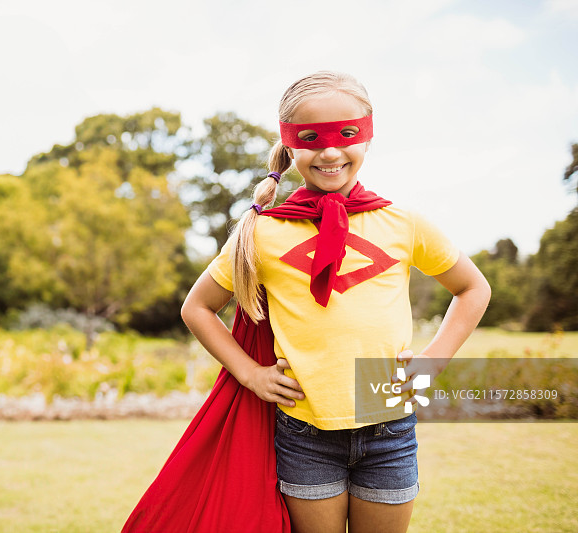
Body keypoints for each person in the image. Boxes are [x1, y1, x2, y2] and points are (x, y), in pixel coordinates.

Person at [180, 71, 491, 533]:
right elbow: (197, 307)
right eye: (311, 137)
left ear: (367, 135)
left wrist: (432, 362)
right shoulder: (262, 231)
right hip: (306, 436)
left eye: (346, 134)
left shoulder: (402, 223)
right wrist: (249, 373)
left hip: (390, 430)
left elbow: (473, 288)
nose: (329, 151)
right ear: (289, 146)